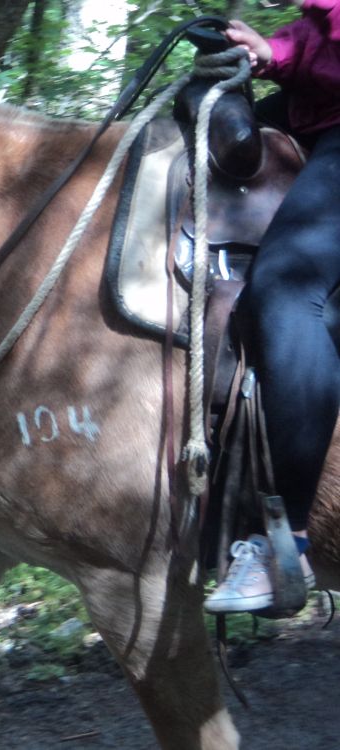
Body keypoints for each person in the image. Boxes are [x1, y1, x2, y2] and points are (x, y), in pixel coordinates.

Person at [204, 0, 340, 614]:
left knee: (285, 288)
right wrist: (267, 52)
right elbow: (322, 32)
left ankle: (287, 545)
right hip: (317, 111)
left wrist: (280, 56)